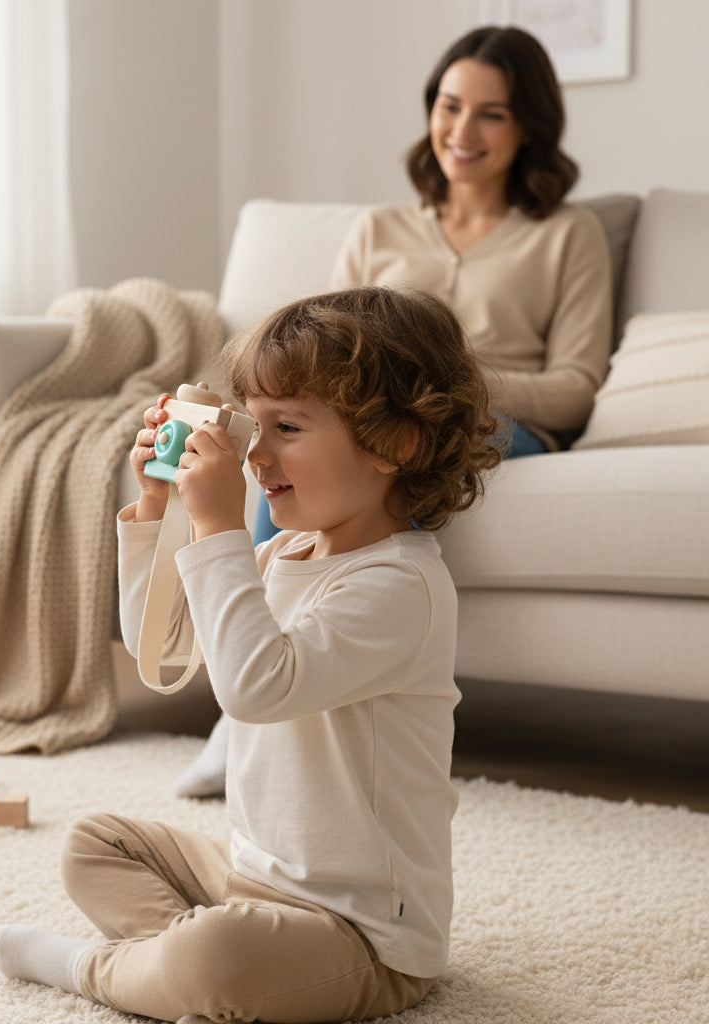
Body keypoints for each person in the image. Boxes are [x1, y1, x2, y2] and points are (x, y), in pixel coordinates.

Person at [0, 285, 502, 1023]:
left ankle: (100, 969)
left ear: (396, 444)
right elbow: (159, 654)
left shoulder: (400, 586)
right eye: (249, 428)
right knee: (94, 845)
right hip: (253, 877)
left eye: (287, 426)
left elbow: (258, 687)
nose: (256, 456)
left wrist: (223, 525)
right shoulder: (280, 552)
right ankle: (189, 972)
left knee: (215, 956)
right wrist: (161, 512)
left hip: (364, 934)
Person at [177, 22, 614, 799]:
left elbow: (577, 384)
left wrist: (444, 383)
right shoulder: (378, 228)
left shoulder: (567, 235)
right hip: (376, 405)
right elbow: (326, 355)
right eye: (450, 106)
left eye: (492, 113)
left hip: (500, 423)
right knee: (294, 447)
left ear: (530, 128)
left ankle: (254, 689)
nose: (462, 130)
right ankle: (257, 670)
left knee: (360, 436)